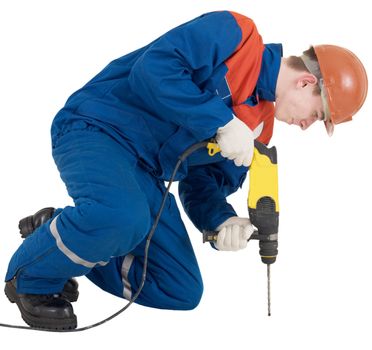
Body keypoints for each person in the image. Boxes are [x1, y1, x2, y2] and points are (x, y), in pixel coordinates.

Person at [4, 10, 367, 330]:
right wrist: (221, 121)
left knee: (179, 288)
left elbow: (203, 182)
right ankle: (30, 278)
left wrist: (222, 220)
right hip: (97, 128)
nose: (306, 126)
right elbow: (155, 69)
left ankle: (60, 233)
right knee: (123, 218)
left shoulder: (259, 128)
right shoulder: (236, 35)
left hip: (141, 174)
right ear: (306, 83)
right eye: (317, 116)